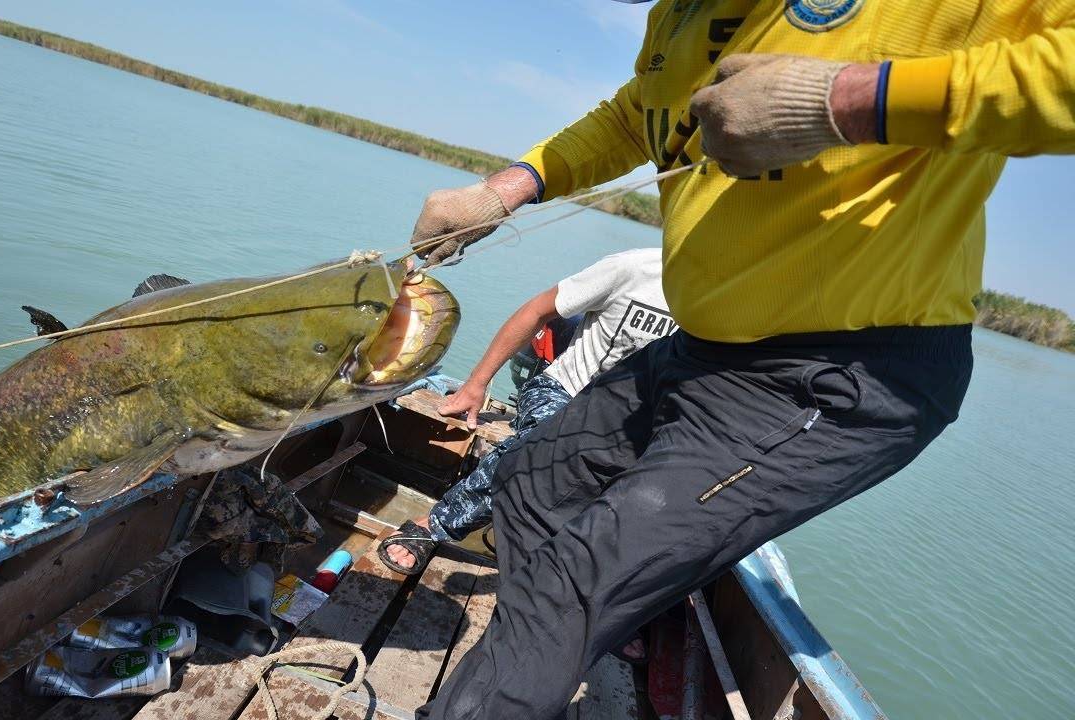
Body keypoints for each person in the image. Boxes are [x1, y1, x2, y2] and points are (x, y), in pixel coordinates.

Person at [407, 2, 1075, 718]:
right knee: (534, 478)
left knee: (576, 579)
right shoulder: (680, 11)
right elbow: (640, 113)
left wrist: (847, 101)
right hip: (704, 347)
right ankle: (532, 669)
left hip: (842, 371)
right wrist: (505, 190)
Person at [378, 248, 676, 659]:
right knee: (539, 449)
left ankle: (603, 597)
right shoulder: (636, 267)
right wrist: (476, 384)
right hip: (565, 392)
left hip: (638, 422)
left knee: (658, 496)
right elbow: (535, 312)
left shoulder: (735, 304)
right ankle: (434, 524)